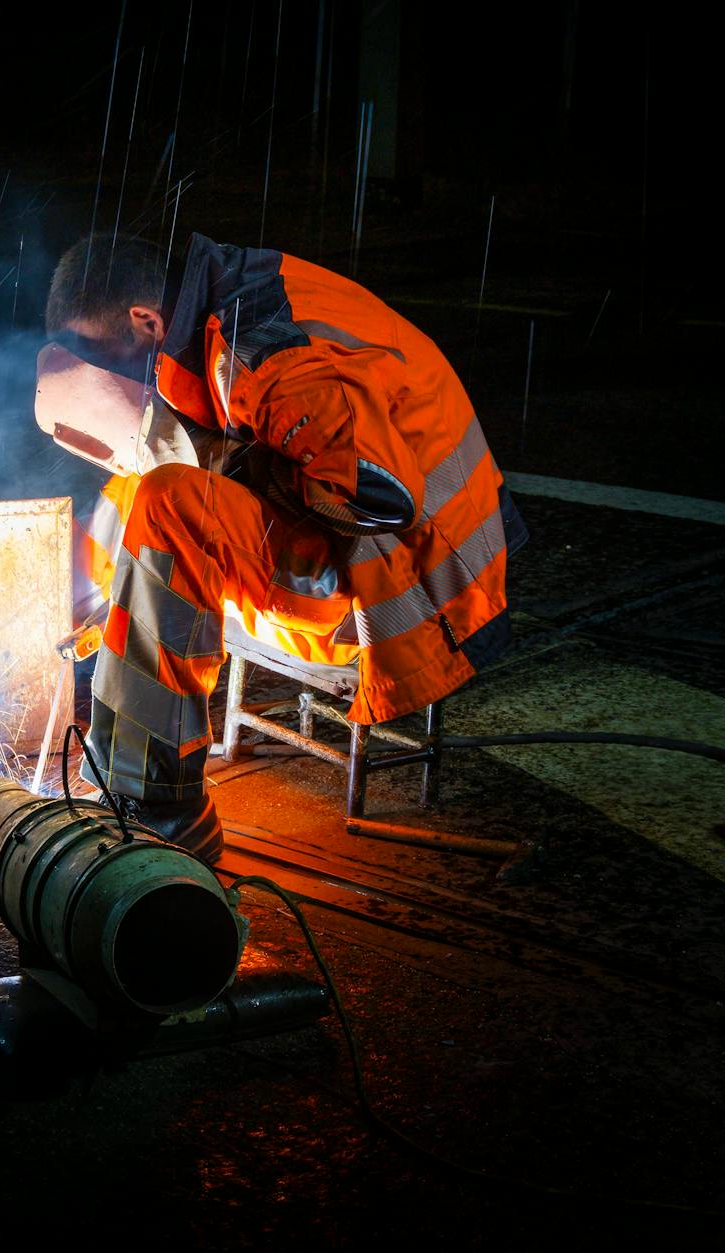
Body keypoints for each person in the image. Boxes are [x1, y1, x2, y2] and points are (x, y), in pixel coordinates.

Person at [37, 233, 527, 864]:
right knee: (150, 483)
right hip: (406, 535)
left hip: (416, 580)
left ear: (144, 320)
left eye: (96, 350)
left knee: (172, 504)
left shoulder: (262, 354)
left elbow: (379, 497)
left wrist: (236, 477)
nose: (99, 366)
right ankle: (121, 630)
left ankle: (159, 807)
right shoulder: (217, 301)